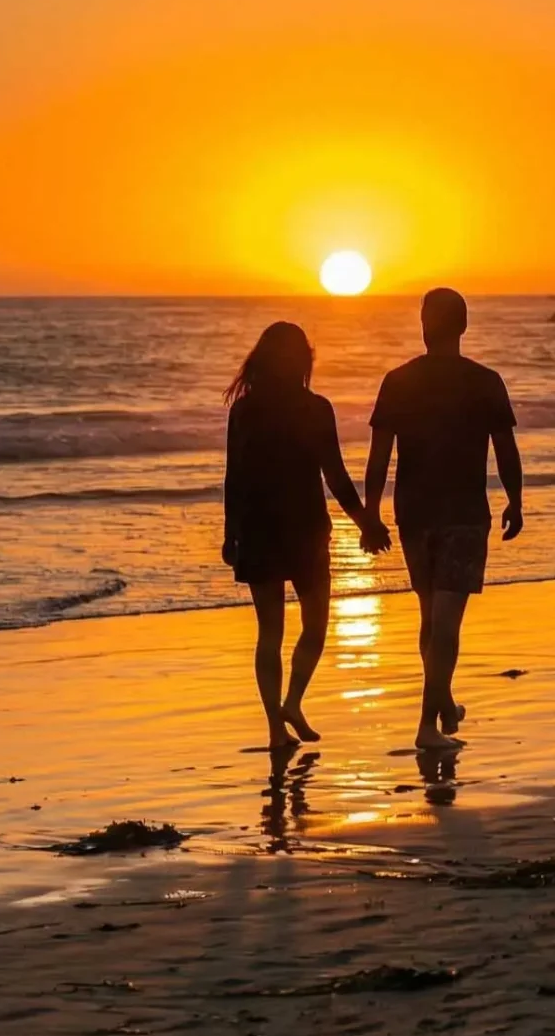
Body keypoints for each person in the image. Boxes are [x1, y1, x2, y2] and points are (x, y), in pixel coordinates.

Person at [363, 288, 524, 751]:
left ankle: (445, 704)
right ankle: (426, 727)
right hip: (463, 513)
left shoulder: (398, 380)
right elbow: (505, 450)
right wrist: (515, 500)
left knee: (431, 615)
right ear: (465, 326)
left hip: (413, 512)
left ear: (423, 325)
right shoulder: (485, 381)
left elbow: (379, 458)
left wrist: (372, 515)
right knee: (446, 620)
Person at [221, 321, 384, 751]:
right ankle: (291, 702)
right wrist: (364, 520)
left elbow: (233, 478)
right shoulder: (315, 408)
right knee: (314, 628)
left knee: (269, 633)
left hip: (257, 530)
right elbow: (335, 474)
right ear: (304, 361)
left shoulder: (244, 410)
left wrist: (230, 532)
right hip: (305, 531)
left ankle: (276, 728)